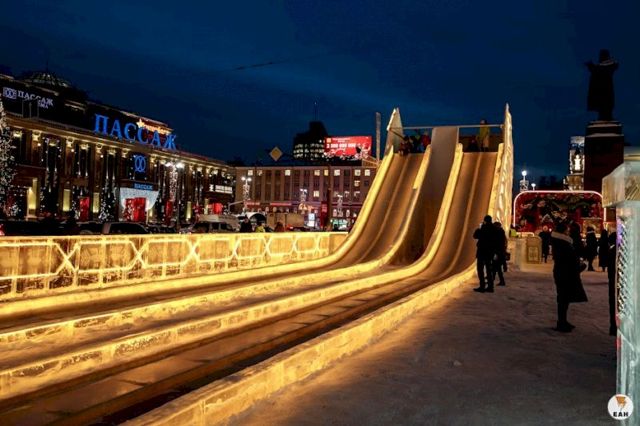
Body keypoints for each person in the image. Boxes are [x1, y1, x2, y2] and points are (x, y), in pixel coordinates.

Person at [550, 223, 589, 332]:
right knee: (563, 298)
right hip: (565, 273)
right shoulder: (563, 243)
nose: (568, 232)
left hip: (563, 272)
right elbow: (568, 259)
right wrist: (579, 266)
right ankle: (561, 323)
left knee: (564, 298)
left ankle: (563, 321)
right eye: (567, 230)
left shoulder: (562, 242)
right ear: (563, 231)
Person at [473, 215, 496, 293]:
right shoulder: (494, 229)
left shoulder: (483, 228)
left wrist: (479, 228)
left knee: (480, 269)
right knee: (489, 270)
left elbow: (475, 236)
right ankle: (490, 287)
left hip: (482, 251)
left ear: (485, 221)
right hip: (489, 252)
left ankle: (482, 286)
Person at [607, 231, 617, 335]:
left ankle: (613, 326)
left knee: (613, 304)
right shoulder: (616, 251)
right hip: (616, 282)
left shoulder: (612, 250)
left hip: (613, 281)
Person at [492, 221, 507, 286]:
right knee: (495, 268)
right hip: (500, 253)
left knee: (496, 267)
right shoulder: (501, 232)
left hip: (498, 253)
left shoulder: (498, 233)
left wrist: (495, 253)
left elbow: (497, 244)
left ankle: (501, 281)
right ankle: (493, 280)